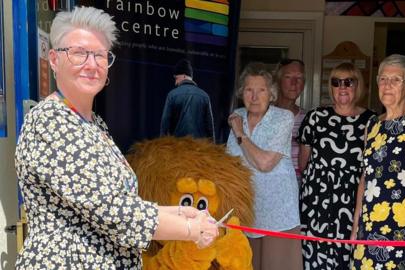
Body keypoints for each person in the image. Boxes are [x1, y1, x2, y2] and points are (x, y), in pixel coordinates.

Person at [14, 7, 218, 269]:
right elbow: (114, 212)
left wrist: (179, 212)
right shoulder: (50, 121)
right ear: (54, 59)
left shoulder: (92, 122)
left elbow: (120, 202)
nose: (91, 64)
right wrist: (191, 229)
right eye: (79, 53)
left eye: (100, 55)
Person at [351, 54, 405, 269]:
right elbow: (365, 177)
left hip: (403, 225)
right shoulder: (372, 124)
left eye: (395, 80)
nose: (387, 85)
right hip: (370, 224)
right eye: (383, 79)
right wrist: (356, 224)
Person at [298, 62, 375, 269]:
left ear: (357, 86)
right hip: (316, 199)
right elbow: (303, 162)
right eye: (336, 82)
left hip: (351, 199)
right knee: (314, 255)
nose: (342, 87)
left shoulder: (372, 121)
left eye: (348, 82)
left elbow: (372, 167)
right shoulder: (315, 117)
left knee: (347, 256)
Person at [226, 62, 302, 270]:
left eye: (261, 90)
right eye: (249, 90)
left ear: (272, 94)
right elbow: (229, 165)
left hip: (278, 215)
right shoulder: (237, 116)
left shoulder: (283, 118)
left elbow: (265, 163)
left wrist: (240, 134)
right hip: (245, 214)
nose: (254, 96)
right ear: (242, 93)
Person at [160, 59, 215, 142]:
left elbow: (165, 124)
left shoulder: (172, 95)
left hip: (178, 147)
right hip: (199, 149)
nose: (175, 82)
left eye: (176, 78)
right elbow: (210, 127)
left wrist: (162, 147)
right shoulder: (204, 96)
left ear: (184, 76)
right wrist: (212, 149)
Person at [274, 59, 306, 183]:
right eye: (288, 77)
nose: (294, 83)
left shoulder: (309, 119)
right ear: (278, 81)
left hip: (298, 191)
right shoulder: (264, 115)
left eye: (299, 77)